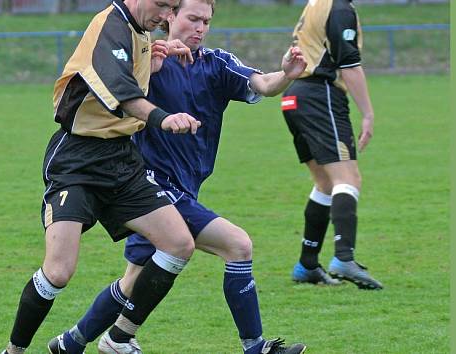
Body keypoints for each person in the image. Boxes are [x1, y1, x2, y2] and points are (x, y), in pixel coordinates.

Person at [46, 1, 308, 353]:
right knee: (238, 246)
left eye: (206, 21)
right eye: (193, 18)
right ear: (170, 16)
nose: (200, 27)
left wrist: (287, 74)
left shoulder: (217, 65)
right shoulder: (148, 62)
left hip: (183, 190)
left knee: (132, 282)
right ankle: (254, 346)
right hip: (148, 186)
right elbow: (115, 90)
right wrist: (154, 63)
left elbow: (262, 84)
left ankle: (71, 342)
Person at [1, 1, 206, 353]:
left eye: (173, 7)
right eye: (162, 5)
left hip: (121, 160)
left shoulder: (140, 30)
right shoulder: (110, 25)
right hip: (77, 160)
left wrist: (153, 62)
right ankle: (13, 351)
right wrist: (163, 118)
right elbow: (121, 92)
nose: (166, 15)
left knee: (178, 244)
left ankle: (119, 338)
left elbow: (130, 76)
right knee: (59, 271)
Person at [281, 0, 383, 290]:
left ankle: (307, 264)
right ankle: (344, 258)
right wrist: (368, 114)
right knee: (348, 179)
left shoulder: (316, 4)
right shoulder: (339, 8)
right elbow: (349, 64)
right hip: (319, 95)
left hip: (294, 97)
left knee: (326, 184)